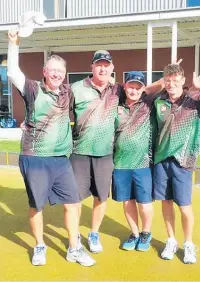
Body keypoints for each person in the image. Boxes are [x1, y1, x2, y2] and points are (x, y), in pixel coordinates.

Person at [7, 30, 95, 267]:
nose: (56, 74)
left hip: (60, 160)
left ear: (64, 74)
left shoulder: (68, 92)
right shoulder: (33, 89)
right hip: (34, 157)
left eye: (60, 71)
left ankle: (74, 249)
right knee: (37, 205)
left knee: (72, 203)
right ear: (45, 72)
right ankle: (39, 246)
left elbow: (93, 90)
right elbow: (12, 72)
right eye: (52, 69)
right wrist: (13, 43)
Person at [70, 50, 163, 253]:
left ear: (112, 69)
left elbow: (160, 90)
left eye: (107, 65)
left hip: (134, 162)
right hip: (109, 160)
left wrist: (169, 78)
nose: (103, 68)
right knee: (79, 198)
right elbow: (59, 109)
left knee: (110, 198)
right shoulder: (84, 90)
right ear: (92, 67)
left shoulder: (144, 102)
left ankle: (140, 234)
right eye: (99, 64)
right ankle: (132, 233)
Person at [152, 63, 200, 264]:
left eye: (175, 79)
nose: (171, 83)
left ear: (183, 80)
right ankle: (171, 240)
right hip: (161, 160)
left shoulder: (195, 100)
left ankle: (188, 244)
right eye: (167, 80)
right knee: (166, 203)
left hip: (184, 162)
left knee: (184, 207)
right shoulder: (159, 101)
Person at [112, 71, 156, 252]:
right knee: (127, 201)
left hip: (142, 164)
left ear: (143, 89)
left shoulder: (148, 104)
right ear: (125, 86)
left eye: (138, 87)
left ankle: (146, 233)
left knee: (144, 203)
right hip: (121, 164)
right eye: (131, 86)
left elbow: (163, 85)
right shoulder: (116, 104)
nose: (134, 91)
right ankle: (135, 233)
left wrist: (170, 70)